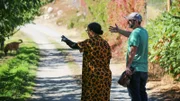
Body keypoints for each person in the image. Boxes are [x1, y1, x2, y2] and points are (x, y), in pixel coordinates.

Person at [61, 22, 112, 101]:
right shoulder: (106, 44)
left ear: (91, 31)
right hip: (105, 77)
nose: (87, 32)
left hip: (93, 76)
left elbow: (74, 46)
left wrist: (66, 40)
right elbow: (109, 58)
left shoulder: (89, 42)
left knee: (90, 97)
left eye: (87, 31)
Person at [109, 12, 148, 101]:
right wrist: (119, 30)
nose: (128, 23)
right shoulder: (143, 32)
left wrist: (128, 67)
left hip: (134, 70)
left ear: (136, 21)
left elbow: (133, 50)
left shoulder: (135, 33)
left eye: (130, 21)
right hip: (144, 70)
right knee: (142, 93)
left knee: (135, 95)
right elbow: (131, 35)